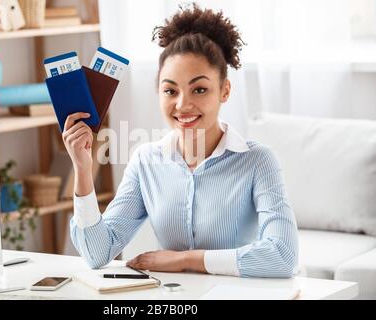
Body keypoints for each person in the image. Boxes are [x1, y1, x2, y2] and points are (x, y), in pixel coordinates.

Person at [63, 4, 298, 278]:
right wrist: (82, 169)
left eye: (199, 89)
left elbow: (283, 256)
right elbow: (96, 254)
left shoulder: (257, 160)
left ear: (225, 90)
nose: (183, 105)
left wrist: (184, 260)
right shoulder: (146, 161)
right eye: (170, 90)